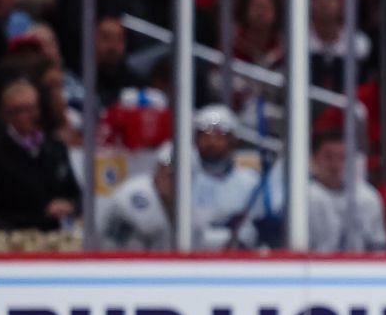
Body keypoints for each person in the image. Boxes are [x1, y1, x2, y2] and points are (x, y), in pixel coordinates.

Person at [0, 78, 80, 232]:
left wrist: (70, 205)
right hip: (12, 240)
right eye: (19, 110)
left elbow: (76, 195)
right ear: (6, 115)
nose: (27, 116)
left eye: (31, 109)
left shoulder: (55, 147)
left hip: (53, 238)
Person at [189, 105, 273, 249]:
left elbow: (259, 229)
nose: (211, 142)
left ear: (233, 140)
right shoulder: (181, 179)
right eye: (205, 135)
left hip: (238, 262)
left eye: (219, 135)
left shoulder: (251, 182)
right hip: (187, 259)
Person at [304, 127, 386, 253]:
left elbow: (378, 247)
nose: (335, 165)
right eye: (328, 157)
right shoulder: (304, 198)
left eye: (342, 157)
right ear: (314, 159)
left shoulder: (368, 199)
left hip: (359, 269)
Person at [97, 143, 176, 251]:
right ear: (158, 170)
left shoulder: (187, 199)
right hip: (118, 260)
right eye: (169, 175)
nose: (172, 182)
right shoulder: (136, 193)